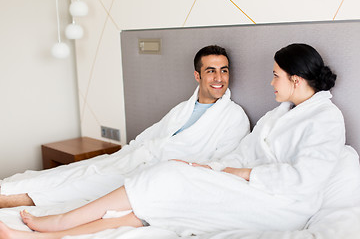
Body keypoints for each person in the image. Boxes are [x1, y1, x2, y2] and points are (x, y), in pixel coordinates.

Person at [0, 43, 347, 239]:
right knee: (160, 192)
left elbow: (306, 180)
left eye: (276, 76)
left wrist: (238, 174)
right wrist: (206, 167)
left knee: (165, 179)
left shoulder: (325, 119)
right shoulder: (278, 114)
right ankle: (48, 233)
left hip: (282, 206)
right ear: (197, 75)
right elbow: (242, 153)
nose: (271, 83)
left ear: (297, 79)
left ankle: (58, 223)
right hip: (252, 190)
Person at [0, 45, 250, 208]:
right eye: (211, 71)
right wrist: (128, 153)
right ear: (198, 76)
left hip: (164, 172)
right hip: (139, 158)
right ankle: (13, 188)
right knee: (84, 168)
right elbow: (152, 134)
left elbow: (224, 164)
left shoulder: (234, 117)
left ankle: (18, 200)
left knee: (93, 183)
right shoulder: (183, 108)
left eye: (224, 71)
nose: (219, 78)